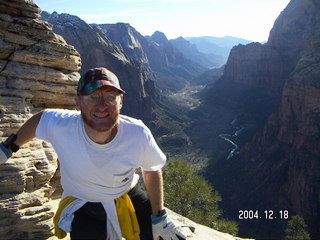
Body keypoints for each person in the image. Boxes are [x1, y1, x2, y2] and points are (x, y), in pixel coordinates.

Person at [0, 67, 192, 240]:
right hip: (84, 204)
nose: (101, 105)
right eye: (92, 96)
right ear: (78, 102)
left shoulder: (137, 133)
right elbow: (40, 119)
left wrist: (159, 216)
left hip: (125, 195)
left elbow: (151, 169)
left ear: (120, 101)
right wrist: (9, 147)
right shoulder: (62, 125)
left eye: (109, 96)